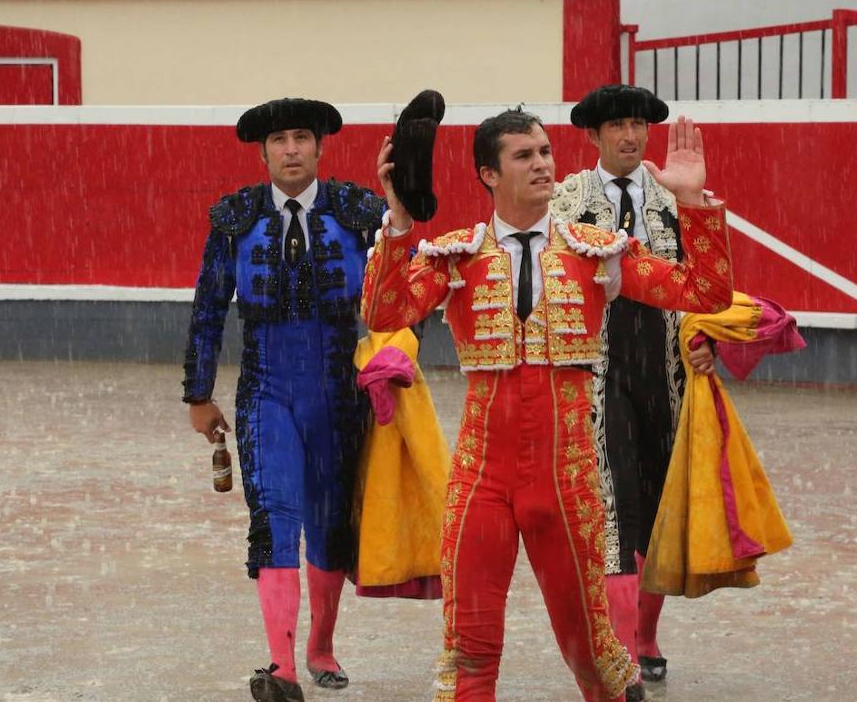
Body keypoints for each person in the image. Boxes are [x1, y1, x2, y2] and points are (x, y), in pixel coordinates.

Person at [362, 107, 734, 702]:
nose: (543, 165)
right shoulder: (455, 256)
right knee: (470, 652)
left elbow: (705, 293)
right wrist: (400, 222)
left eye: (545, 152)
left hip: (567, 479)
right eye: (524, 156)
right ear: (488, 174)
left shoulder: (599, 251)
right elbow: (383, 315)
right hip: (481, 477)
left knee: (590, 650)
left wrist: (694, 204)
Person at [182, 98, 386, 702]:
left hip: (339, 389)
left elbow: (397, 292)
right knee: (273, 518)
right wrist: (198, 394)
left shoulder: (359, 213)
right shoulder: (235, 218)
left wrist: (390, 363)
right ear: (264, 151)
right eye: (280, 140)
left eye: (302, 137)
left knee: (328, 521)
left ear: (321, 148)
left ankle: (320, 646)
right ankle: (282, 665)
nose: (291, 149)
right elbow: (209, 307)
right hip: (266, 388)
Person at [550, 84, 715, 700]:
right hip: (598, 363)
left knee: (658, 505)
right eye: (616, 125)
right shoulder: (565, 200)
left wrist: (707, 340)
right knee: (613, 501)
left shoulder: (677, 199)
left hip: (667, 366)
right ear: (592, 137)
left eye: (637, 125)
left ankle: (643, 636)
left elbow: (708, 287)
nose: (629, 136)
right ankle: (620, 651)